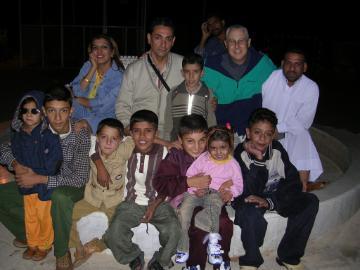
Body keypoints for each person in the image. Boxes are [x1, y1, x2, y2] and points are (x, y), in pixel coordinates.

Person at [0, 85, 91, 270]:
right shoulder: (36, 125)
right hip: (36, 180)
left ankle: (61, 250)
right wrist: (16, 165)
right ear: (43, 111)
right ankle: (28, 236)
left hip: (68, 184)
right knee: (3, 194)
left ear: (71, 110)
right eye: (51, 111)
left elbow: (80, 178)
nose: (57, 118)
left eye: (63, 111)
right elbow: (5, 147)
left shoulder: (79, 133)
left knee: (59, 197)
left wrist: (40, 179)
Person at [232, 108, 319, 270]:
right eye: (257, 132)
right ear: (248, 132)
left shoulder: (277, 149)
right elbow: (247, 190)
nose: (262, 138)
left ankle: (289, 255)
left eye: (268, 133)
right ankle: (251, 261)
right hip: (247, 196)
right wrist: (258, 160)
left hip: (274, 195)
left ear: (273, 135)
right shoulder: (240, 153)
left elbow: (294, 181)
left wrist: (271, 201)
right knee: (248, 211)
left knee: (310, 201)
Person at [153, 114, 234, 270]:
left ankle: (221, 260)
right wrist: (189, 182)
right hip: (186, 202)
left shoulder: (214, 155)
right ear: (180, 139)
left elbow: (230, 176)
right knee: (198, 225)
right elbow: (160, 183)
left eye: (202, 141)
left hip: (212, 201)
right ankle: (194, 265)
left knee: (225, 223)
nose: (197, 147)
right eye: (190, 141)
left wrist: (228, 192)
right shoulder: (175, 157)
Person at [102, 110, 180, 270]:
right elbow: (104, 144)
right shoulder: (126, 150)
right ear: (131, 133)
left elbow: (170, 184)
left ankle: (161, 260)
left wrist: (154, 206)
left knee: (174, 230)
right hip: (132, 202)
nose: (142, 137)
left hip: (160, 203)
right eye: (137, 131)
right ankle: (133, 255)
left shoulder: (166, 153)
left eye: (148, 131)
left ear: (155, 133)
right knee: (113, 233)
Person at [3, 90, 62, 261]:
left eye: (34, 111)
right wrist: (17, 168)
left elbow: (54, 163)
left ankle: (44, 245)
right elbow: (13, 156)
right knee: (31, 217)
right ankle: (32, 243)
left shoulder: (49, 136)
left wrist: (33, 173)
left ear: (43, 113)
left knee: (44, 218)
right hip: (26, 186)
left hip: (43, 186)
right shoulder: (18, 136)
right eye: (25, 110)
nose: (29, 114)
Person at [68, 118, 134, 267]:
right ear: (97, 138)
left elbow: (138, 137)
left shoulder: (124, 149)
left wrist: (168, 144)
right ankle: (77, 246)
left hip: (114, 200)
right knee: (68, 215)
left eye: (114, 139)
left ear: (120, 141)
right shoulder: (92, 146)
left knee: (119, 228)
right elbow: (86, 134)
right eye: (104, 137)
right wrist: (85, 122)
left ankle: (97, 245)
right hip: (92, 197)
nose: (108, 142)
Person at [176, 125, 243, 265]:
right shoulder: (203, 158)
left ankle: (213, 242)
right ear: (209, 147)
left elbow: (239, 184)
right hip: (196, 192)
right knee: (183, 212)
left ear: (229, 147)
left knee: (214, 207)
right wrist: (194, 188)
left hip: (215, 193)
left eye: (223, 147)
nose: (218, 152)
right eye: (213, 148)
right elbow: (190, 175)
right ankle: (183, 247)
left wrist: (231, 193)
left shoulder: (232, 164)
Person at [262, 48, 323, 191]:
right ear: (282, 64)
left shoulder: (311, 87)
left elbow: (304, 121)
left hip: (289, 132)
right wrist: (267, 129)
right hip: (264, 129)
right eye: (289, 63)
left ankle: (303, 185)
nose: (292, 68)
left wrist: (279, 130)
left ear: (305, 67)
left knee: (303, 135)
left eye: (297, 64)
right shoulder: (271, 77)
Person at [202, 24, 276, 139]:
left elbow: (283, 87)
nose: (237, 46)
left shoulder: (263, 64)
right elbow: (195, 92)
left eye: (241, 41)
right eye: (232, 41)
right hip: (221, 134)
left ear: (249, 42)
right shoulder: (210, 66)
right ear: (226, 44)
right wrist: (207, 101)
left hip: (254, 135)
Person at [115, 17, 183, 138]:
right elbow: (122, 105)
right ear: (149, 38)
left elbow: (197, 91)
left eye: (168, 39)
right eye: (158, 38)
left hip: (172, 133)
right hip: (140, 133)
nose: (163, 44)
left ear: (173, 41)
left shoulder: (183, 66)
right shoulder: (134, 69)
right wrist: (128, 129)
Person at [70, 34, 125, 134]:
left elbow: (105, 106)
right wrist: (93, 68)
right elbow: (77, 91)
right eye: (95, 47)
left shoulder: (119, 76)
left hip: (105, 116)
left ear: (112, 52)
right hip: (83, 108)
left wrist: (86, 102)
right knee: (61, 111)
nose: (99, 51)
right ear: (91, 52)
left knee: (80, 128)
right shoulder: (88, 66)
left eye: (104, 47)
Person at [164, 52, 216, 141]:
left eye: (195, 72)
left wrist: (211, 140)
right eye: (187, 72)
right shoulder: (174, 92)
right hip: (177, 142)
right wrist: (167, 142)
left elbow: (211, 121)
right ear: (182, 73)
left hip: (198, 143)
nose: (191, 76)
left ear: (202, 72)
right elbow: (168, 120)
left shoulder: (207, 93)